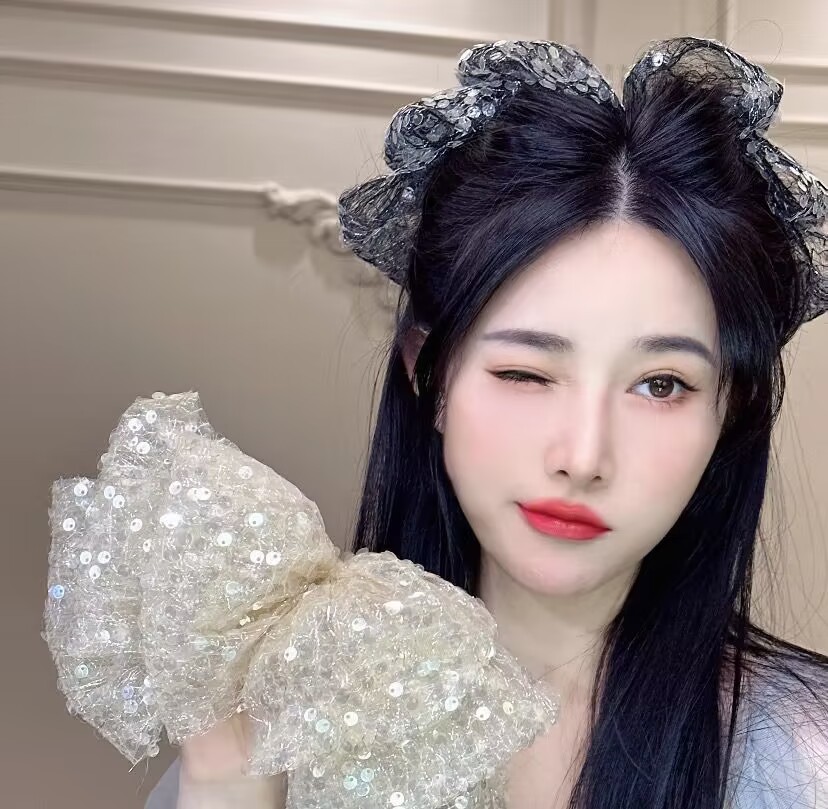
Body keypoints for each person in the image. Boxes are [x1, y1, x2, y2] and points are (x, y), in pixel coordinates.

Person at [76, 36, 828, 809]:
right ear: (429, 374)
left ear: (730, 407)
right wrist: (226, 783)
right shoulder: (283, 713)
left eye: (661, 384)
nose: (582, 456)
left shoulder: (803, 759)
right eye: (525, 373)